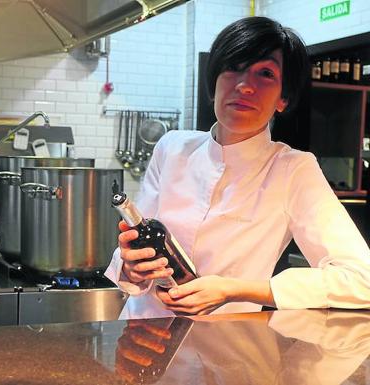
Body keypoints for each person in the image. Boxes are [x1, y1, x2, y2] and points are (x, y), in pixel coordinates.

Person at [105, 16, 370, 318]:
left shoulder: (292, 169)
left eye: (266, 73)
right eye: (234, 68)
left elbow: (362, 280)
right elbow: (140, 245)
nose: (245, 86)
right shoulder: (172, 147)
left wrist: (236, 289)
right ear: (214, 82)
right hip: (142, 335)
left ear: (283, 98)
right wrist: (131, 266)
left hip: (225, 349)